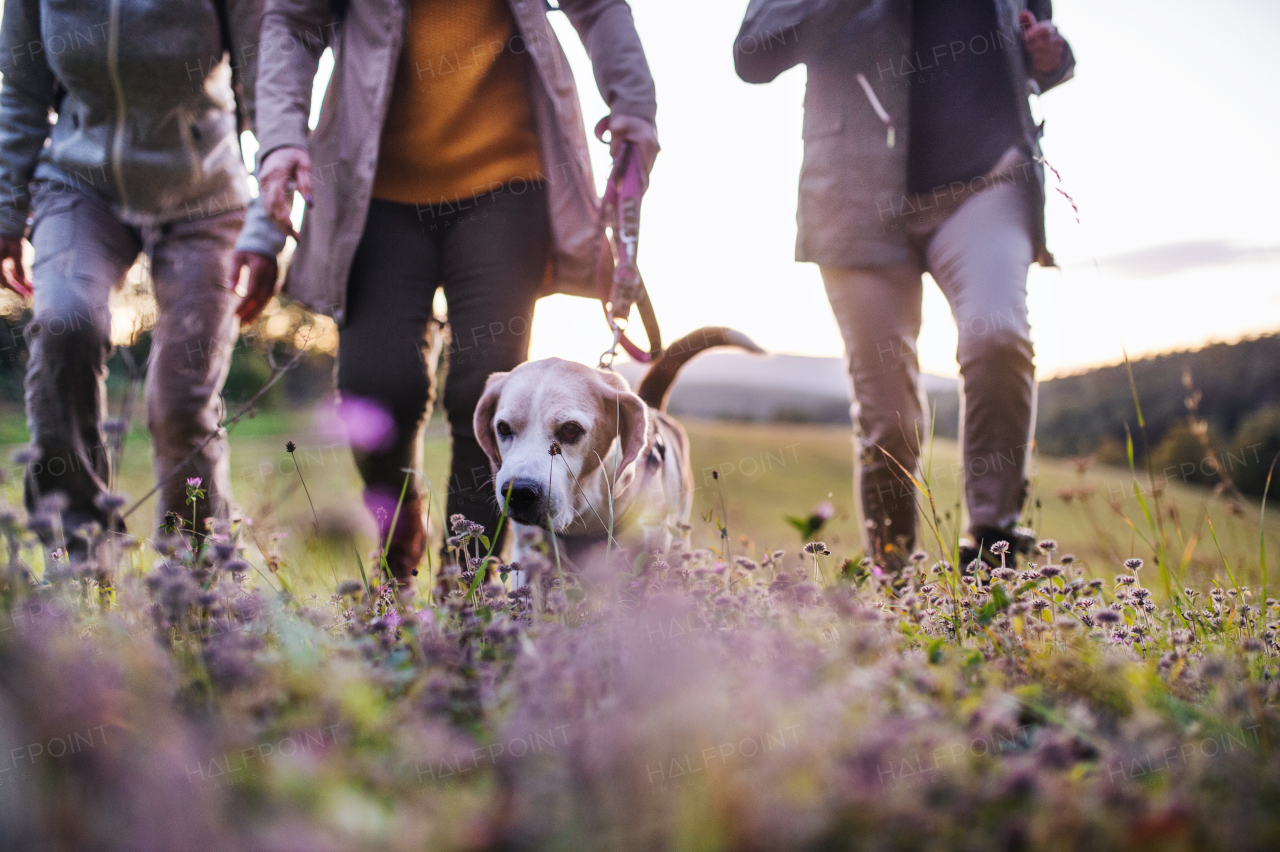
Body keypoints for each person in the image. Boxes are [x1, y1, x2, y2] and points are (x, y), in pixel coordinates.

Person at [254, 0, 659, 584]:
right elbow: (290, 20)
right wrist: (279, 140)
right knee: (376, 383)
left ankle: (468, 587)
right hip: (376, 188)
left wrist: (634, 106)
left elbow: (598, 8)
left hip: (507, 183)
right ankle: (399, 529)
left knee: (488, 385)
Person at [734, 1, 1074, 569]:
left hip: (987, 179)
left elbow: (1033, 38)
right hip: (854, 195)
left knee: (998, 336)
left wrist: (1053, 56)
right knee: (888, 419)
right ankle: (896, 583)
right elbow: (752, 53)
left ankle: (992, 542)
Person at [0, 0, 286, 549]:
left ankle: (193, 575)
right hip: (77, 181)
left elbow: (267, 87)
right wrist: (9, 209)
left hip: (206, 193)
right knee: (65, 323)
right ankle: (78, 557)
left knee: (181, 398)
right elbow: (22, 90)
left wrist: (268, 225)